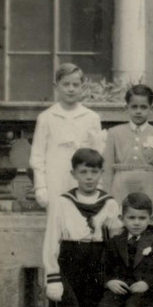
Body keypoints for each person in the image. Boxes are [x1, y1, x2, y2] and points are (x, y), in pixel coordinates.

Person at [42, 148, 122, 307]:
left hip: (97, 265)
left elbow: (116, 245)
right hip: (69, 264)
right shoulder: (62, 202)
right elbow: (52, 240)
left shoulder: (109, 203)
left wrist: (115, 229)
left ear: (101, 173)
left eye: (94, 172)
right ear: (73, 173)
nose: (89, 177)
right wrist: (53, 277)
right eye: (83, 172)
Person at [30, 63, 104, 212]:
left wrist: (99, 183)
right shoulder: (46, 117)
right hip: (55, 178)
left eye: (75, 85)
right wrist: (40, 186)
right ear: (56, 86)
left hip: (83, 179)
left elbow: (98, 153)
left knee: (83, 218)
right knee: (57, 218)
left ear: (83, 87)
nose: (71, 89)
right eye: (66, 84)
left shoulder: (91, 117)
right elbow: (37, 156)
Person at [101, 85, 153, 215]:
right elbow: (107, 167)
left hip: (147, 186)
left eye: (143, 107)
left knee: (144, 218)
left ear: (151, 109)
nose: (138, 111)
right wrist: (106, 195)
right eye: (134, 107)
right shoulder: (114, 133)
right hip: (121, 186)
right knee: (120, 218)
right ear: (126, 107)